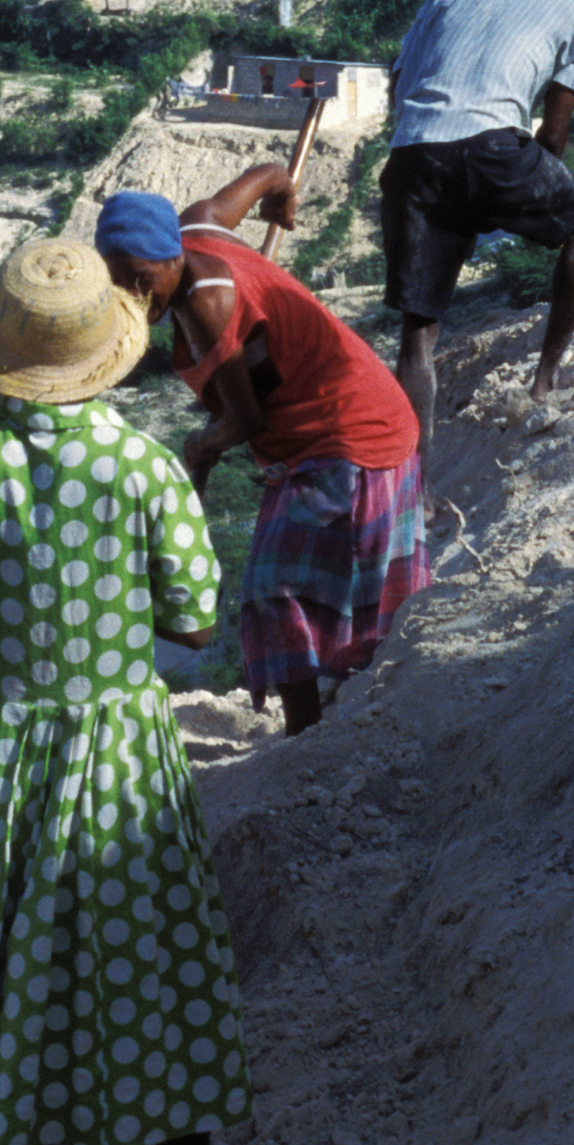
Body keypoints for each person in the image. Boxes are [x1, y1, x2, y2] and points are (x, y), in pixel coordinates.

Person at [0, 239, 250, 1145]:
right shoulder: (144, 466)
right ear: (105, 349)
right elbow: (193, 618)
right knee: (160, 990)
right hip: (113, 756)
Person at [92, 181, 422, 735]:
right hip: (331, 425)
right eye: (117, 284)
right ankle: (339, 720)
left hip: (350, 433)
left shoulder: (206, 303)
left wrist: (202, 445)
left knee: (273, 589)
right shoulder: (199, 222)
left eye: (143, 281)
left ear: (175, 257)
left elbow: (246, 421)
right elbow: (272, 172)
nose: (134, 298)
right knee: (314, 585)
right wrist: (281, 198)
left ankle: (304, 739)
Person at [376, 0, 574, 429]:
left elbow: (400, 84)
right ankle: (546, 377)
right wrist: (504, 198)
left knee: (418, 332)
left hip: (414, 152)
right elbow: (553, 138)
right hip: (493, 150)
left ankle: (419, 493)